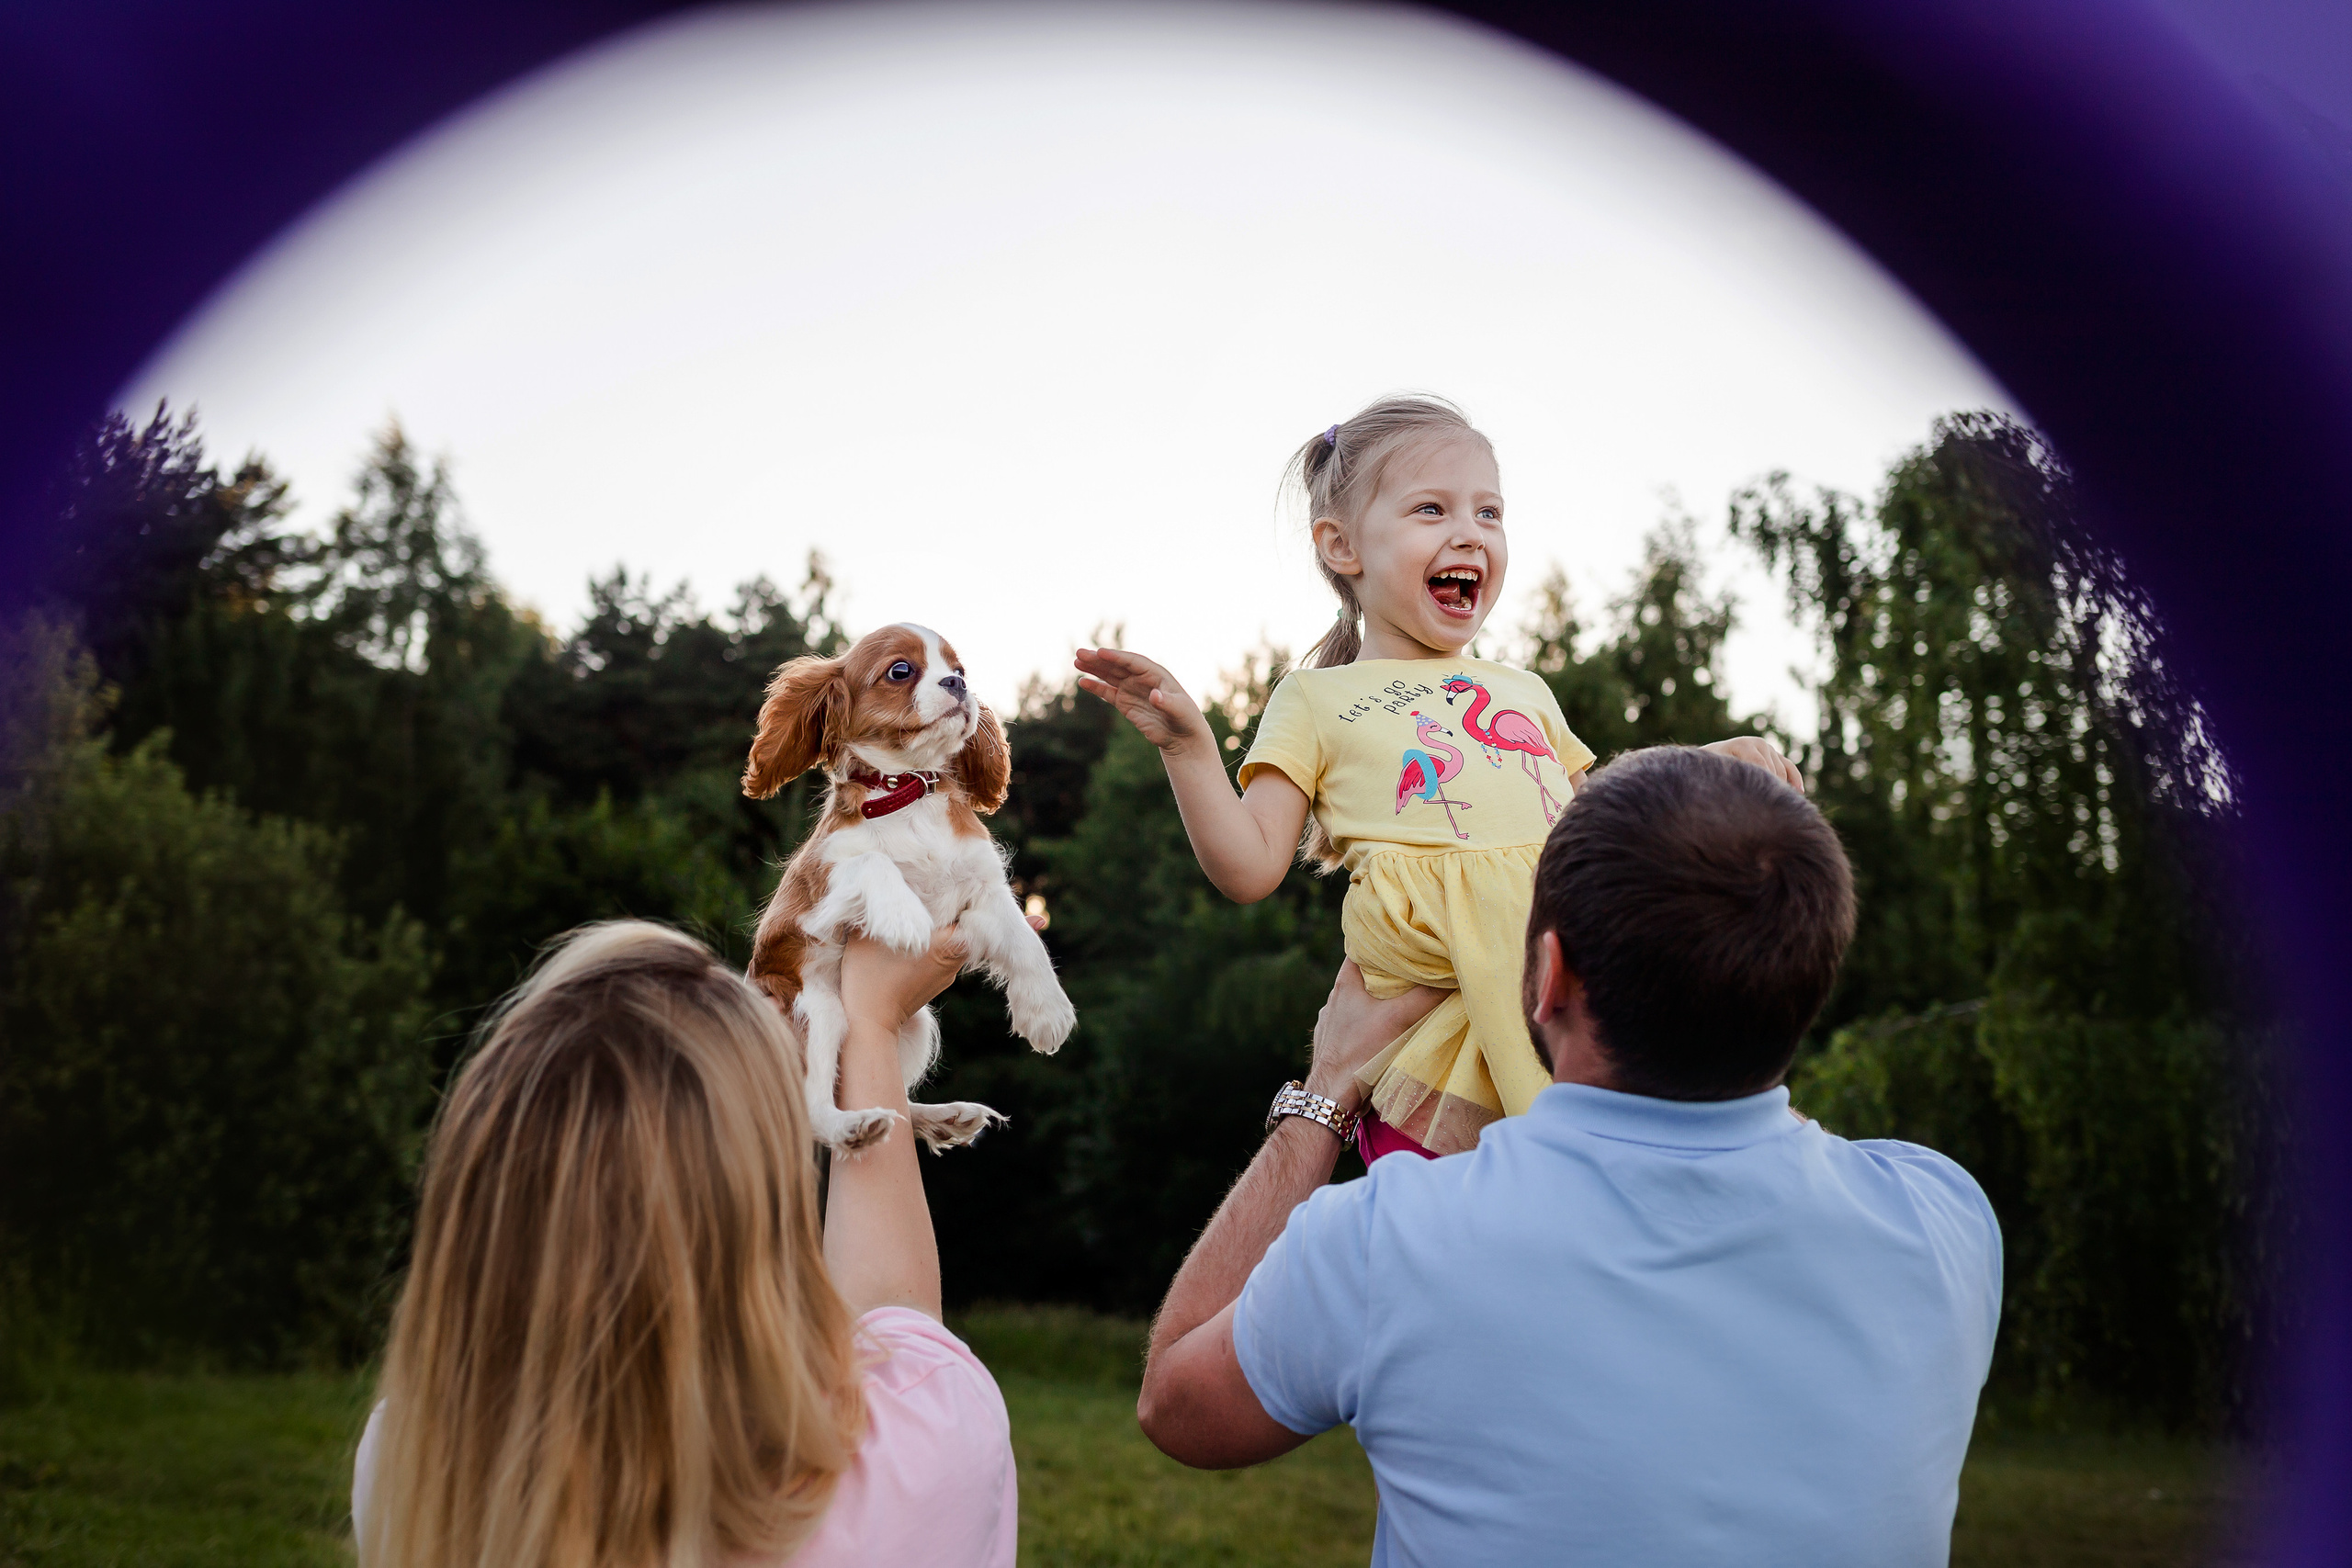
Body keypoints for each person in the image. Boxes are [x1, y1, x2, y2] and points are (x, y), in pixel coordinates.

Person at [1137, 746, 2003, 1567]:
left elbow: (1176, 1404)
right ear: (1807, 977)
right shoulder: (1945, 1219)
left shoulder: (1392, 1242)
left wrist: (1323, 1097)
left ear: (1549, 973)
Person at [1076, 394, 1797, 1160]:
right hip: (1440, 1060)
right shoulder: (1316, 698)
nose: (1470, 533)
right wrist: (1189, 749)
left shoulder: (1524, 691)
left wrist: (1700, 764)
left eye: (1490, 512)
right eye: (1432, 509)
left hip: (1579, 1003)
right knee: (1458, 1257)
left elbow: (1601, 820)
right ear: (1342, 545)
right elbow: (1251, 866)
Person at [352, 919, 1017, 1568]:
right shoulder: (919, 1461)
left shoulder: (409, 1462)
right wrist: (868, 1024)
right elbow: (894, 1321)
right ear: (746, 1218)